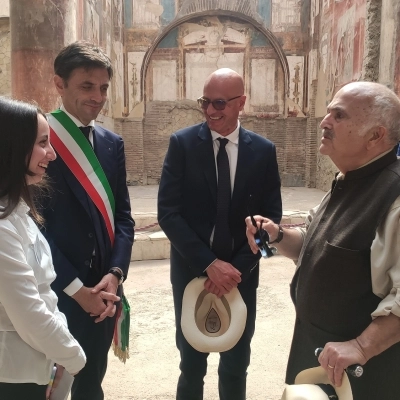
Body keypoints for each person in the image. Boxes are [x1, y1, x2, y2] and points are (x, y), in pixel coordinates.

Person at [245, 81, 400, 400]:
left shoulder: (393, 197)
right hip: (319, 355)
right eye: (328, 112)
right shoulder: (349, 179)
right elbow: (313, 245)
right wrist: (277, 235)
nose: (324, 122)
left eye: (339, 115)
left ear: (375, 136)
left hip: (362, 374)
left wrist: (361, 346)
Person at [158, 68, 282, 400]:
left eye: (219, 103)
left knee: (235, 365)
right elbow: (168, 214)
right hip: (190, 272)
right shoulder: (182, 145)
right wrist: (209, 263)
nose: (211, 110)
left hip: (242, 276)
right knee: (191, 364)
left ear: (241, 102)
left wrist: (235, 270)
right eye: (205, 102)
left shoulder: (264, 151)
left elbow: (270, 219)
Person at [39, 41, 135, 400]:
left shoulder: (112, 144)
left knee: (91, 382)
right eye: (87, 86)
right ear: (59, 84)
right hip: (58, 292)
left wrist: (115, 274)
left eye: (104, 88)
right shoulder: (40, 141)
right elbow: (35, 228)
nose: (98, 97)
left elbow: (123, 218)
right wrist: (78, 290)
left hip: (104, 294)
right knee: (49, 386)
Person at [0, 97, 86, 399]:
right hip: (14, 375)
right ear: (13, 146)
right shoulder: (2, 227)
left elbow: (43, 294)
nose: (51, 154)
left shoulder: (17, 213)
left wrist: (57, 354)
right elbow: (28, 311)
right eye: (42, 143)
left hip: (39, 362)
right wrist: (74, 357)